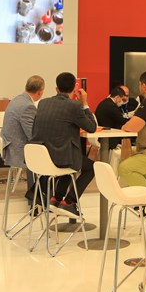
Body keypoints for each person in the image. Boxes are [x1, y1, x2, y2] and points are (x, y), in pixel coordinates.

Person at [29, 72, 97, 216]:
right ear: (74, 88)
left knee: (70, 160)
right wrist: (84, 103)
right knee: (91, 167)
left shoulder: (43, 103)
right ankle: (70, 201)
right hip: (60, 159)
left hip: (42, 158)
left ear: (56, 88)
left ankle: (56, 198)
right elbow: (92, 127)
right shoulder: (74, 105)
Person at [0, 75, 45, 201]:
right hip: (18, 151)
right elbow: (33, 136)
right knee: (51, 154)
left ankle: (40, 197)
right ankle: (37, 198)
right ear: (40, 92)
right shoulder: (27, 106)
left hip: (11, 146)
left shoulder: (16, 100)